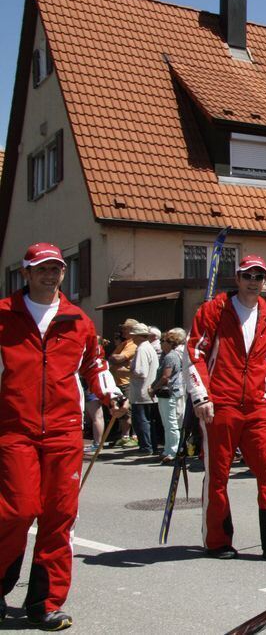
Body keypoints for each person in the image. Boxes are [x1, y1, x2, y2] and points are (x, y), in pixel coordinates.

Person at [0, 242, 128, 630]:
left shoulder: (77, 320)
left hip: (63, 433)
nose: (51, 274)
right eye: (42, 268)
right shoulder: (4, 316)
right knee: (16, 512)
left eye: (56, 268)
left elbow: (95, 365)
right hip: (14, 431)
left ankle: (45, 602)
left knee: (59, 517)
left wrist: (112, 395)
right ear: (25, 273)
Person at [187, 254, 266, 560]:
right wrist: (201, 395)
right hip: (221, 404)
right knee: (218, 476)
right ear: (237, 279)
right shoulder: (213, 310)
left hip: (256, 406)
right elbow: (196, 353)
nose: (254, 282)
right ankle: (217, 541)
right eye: (248, 276)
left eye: (259, 276)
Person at [149, 328, 187, 463]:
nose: (161, 343)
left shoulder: (171, 356)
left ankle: (172, 450)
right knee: (173, 422)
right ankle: (170, 449)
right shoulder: (176, 355)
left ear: (170, 342)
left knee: (170, 422)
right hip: (177, 391)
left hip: (168, 392)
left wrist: (153, 388)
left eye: (163, 341)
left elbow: (165, 377)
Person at [128, 322, 160, 456]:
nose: (132, 338)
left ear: (139, 336)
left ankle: (146, 446)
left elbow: (141, 372)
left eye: (134, 336)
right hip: (148, 391)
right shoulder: (149, 347)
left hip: (142, 392)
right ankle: (151, 445)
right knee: (149, 420)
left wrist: (127, 371)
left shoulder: (142, 349)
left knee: (141, 420)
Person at [108, 319, 138, 447]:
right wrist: (114, 359)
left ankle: (129, 436)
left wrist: (116, 359)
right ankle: (124, 435)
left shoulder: (132, 344)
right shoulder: (125, 343)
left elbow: (118, 358)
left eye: (125, 328)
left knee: (126, 410)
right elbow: (112, 358)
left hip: (126, 382)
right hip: (118, 381)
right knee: (122, 410)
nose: (123, 331)